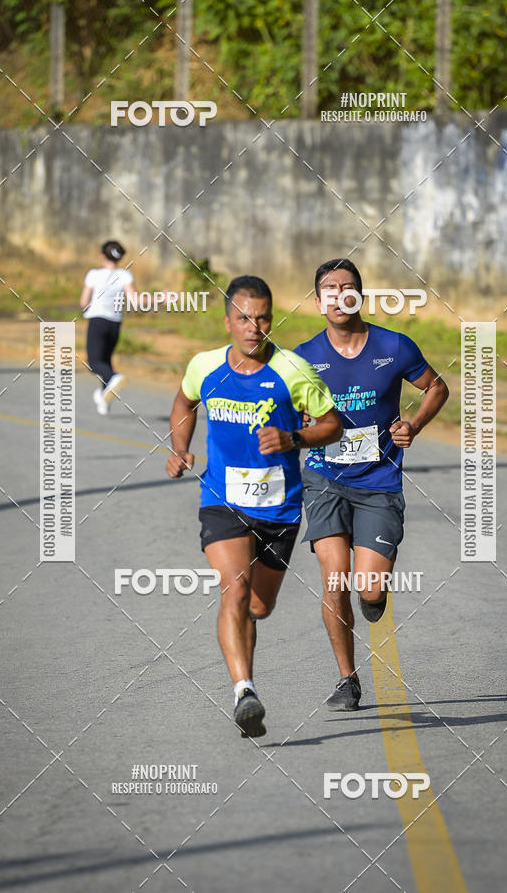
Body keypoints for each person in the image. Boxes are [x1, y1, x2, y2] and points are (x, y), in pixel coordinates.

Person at [165, 275, 342, 738]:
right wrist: (180, 446)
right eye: (244, 317)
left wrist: (293, 438)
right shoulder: (204, 366)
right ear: (228, 321)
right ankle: (244, 691)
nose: (254, 326)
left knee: (259, 607)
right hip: (222, 500)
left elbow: (332, 425)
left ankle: (246, 679)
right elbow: (184, 402)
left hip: (279, 508)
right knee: (234, 589)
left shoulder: (292, 370)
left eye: (263, 317)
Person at [294, 258, 449, 711]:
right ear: (318, 300)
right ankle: (347, 678)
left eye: (347, 287)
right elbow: (287, 411)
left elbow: (436, 388)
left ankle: (375, 588)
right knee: (334, 578)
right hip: (325, 478)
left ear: (359, 295)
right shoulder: (302, 357)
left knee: (368, 589)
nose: (339, 295)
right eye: (329, 288)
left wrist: (414, 425)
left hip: (379, 481)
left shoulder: (394, 346)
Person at [80, 240, 134, 415]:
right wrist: (161, 300)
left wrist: (86, 306)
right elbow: (135, 300)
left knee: (94, 363)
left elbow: (83, 302)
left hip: (97, 321)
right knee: (106, 361)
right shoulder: (125, 275)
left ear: (102, 256)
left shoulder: (93, 274)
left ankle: (114, 378)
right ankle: (104, 399)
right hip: (115, 324)